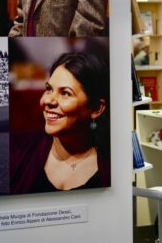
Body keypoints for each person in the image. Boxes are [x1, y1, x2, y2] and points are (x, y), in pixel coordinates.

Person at [10, 52, 110, 193]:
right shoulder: (16, 150)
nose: (48, 101)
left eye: (65, 93)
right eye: (49, 89)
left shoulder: (111, 166)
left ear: (96, 108)